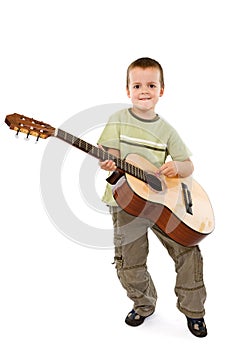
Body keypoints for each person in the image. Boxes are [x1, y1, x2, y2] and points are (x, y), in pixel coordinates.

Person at [97, 57, 207, 337]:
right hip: (126, 203)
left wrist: (177, 167)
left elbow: (188, 165)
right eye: (137, 85)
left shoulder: (167, 130)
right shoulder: (117, 120)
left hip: (163, 206)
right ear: (127, 91)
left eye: (151, 84)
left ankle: (194, 312)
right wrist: (110, 161)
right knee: (130, 261)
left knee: (188, 252)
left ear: (161, 90)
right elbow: (110, 154)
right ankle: (144, 304)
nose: (144, 90)